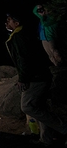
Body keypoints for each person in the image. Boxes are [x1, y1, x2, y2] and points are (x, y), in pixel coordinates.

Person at [4, 12, 67, 146]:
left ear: (17, 23)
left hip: (36, 78)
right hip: (41, 75)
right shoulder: (22, 34)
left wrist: (23, 78)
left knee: (27, 106)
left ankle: (63, 127)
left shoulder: (19, 37)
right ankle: (46, 139)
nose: (7, 22)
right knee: (40, 106)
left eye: (9, 20)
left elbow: (24, 60)